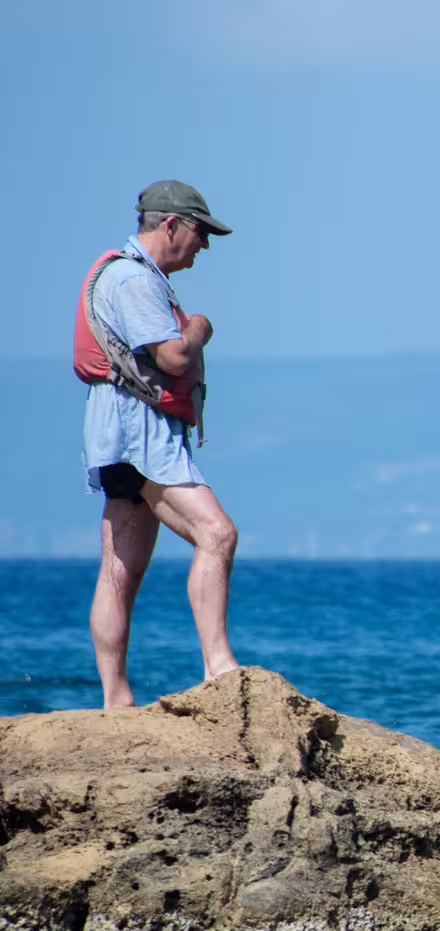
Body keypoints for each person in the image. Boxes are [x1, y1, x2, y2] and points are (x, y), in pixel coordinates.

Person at [73, 180, 240, 709]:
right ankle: (219, 668)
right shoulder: (134, 280)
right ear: (170, 225)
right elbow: (173, 358)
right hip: (141, 432)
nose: (204, 244)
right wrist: (201, 328)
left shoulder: (124, 275)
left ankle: (116, 699)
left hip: (113, 434)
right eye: (200, 231)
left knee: (121, 567)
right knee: (217, 534)